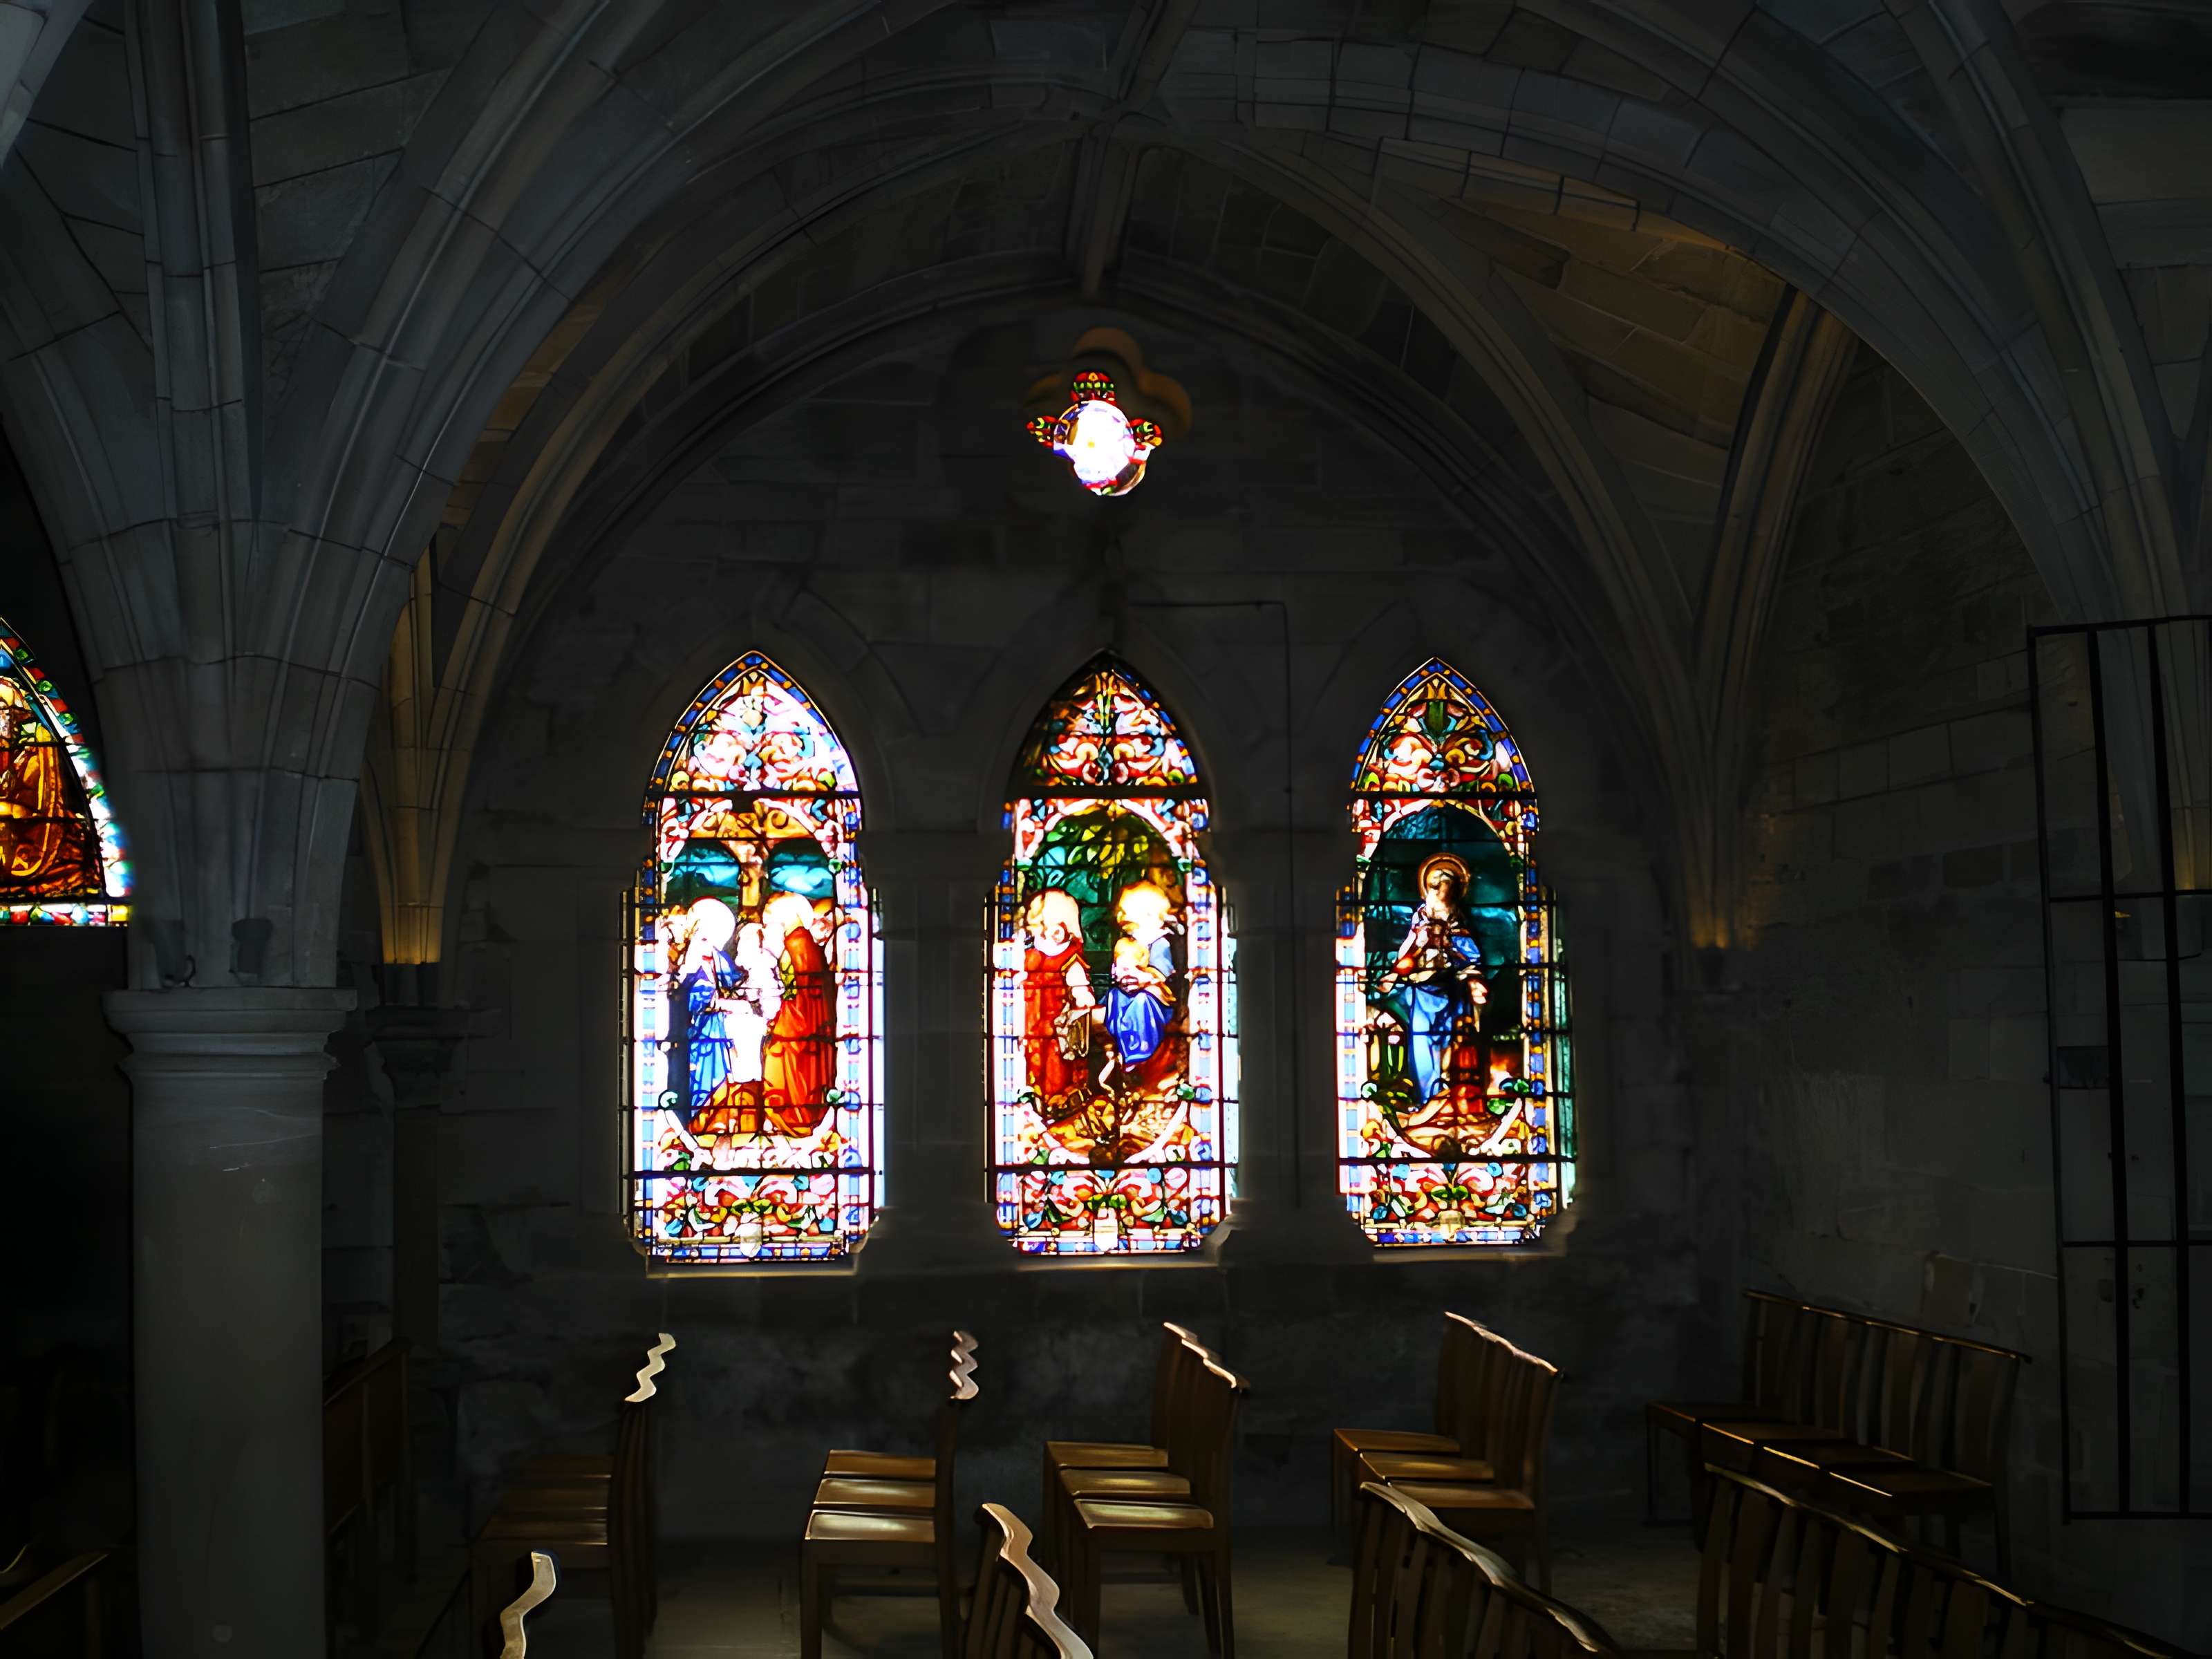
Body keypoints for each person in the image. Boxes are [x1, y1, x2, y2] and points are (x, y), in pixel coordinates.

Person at [1376, 853, 1490, 1138]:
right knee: (1422, 1043)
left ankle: (1455, 1099)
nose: (1441, 892)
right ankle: (1429, 1099)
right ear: (1428, 890)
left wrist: (1455, 950)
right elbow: (1407, 957)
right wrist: (1402, 965)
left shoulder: (1458, 922)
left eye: (1446, 887)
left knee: (1453, 1045)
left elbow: (1471, 958)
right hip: (1421, 991)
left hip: (1452, 990)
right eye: (1436, 886)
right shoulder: (1420, 923)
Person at [761, 891, 838, 1134]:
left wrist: (779, 1017)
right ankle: (797, 1117)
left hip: (800, 1023)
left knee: (778, 1055)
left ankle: (796, 1117)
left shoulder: (797, 943)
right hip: (804, 1019)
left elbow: (803, 994)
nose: (770, 922)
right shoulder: (801, 942)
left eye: (773, 916)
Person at [1103, 881, 1181, 1096]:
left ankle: (1140, 1052)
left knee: (1141, 1002)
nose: (1124, 918)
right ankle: (1123, 1041)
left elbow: (1161, 974)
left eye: (1129, 913)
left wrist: (1142, 977)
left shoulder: (1161, 943)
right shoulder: (1130, 941)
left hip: (1157, 997)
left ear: (1149, 914)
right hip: (1130, 991)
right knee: (1115, 996)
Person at [1022, 888, 1096, 1114]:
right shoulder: (1029, 957)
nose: (1047, 935)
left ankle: (1056, 1099)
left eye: (1055, 929)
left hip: (1057, 1024)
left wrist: (1084, 999)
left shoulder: (1071, 959)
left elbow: (1080, 987)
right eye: (1041, 928)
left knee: (1056, 1063)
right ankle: (1034, 1096)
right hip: (1030, 1021)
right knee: (1032, 1059)